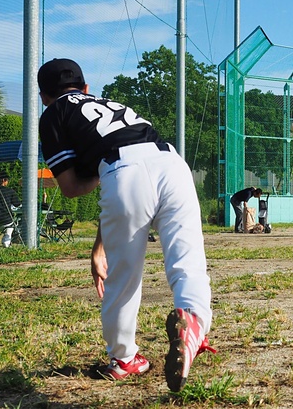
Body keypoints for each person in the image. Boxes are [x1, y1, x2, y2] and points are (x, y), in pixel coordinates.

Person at [37, 58, 214, 392]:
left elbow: (72, 186)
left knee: (123, 278)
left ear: (44, 96)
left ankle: (124, 358)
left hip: (121, 170)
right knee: (188, 262)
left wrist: (101, 168)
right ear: (86, 88)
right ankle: (193, 322)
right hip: (172, 163)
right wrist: (99, 245)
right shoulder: (111, 103)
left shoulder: (53, 114)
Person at [0, 171, 22, 247]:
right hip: (6, 219)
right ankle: (6, 241)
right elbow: (17, 204)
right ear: (4, 180)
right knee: (11, 225)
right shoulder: (10, 191)